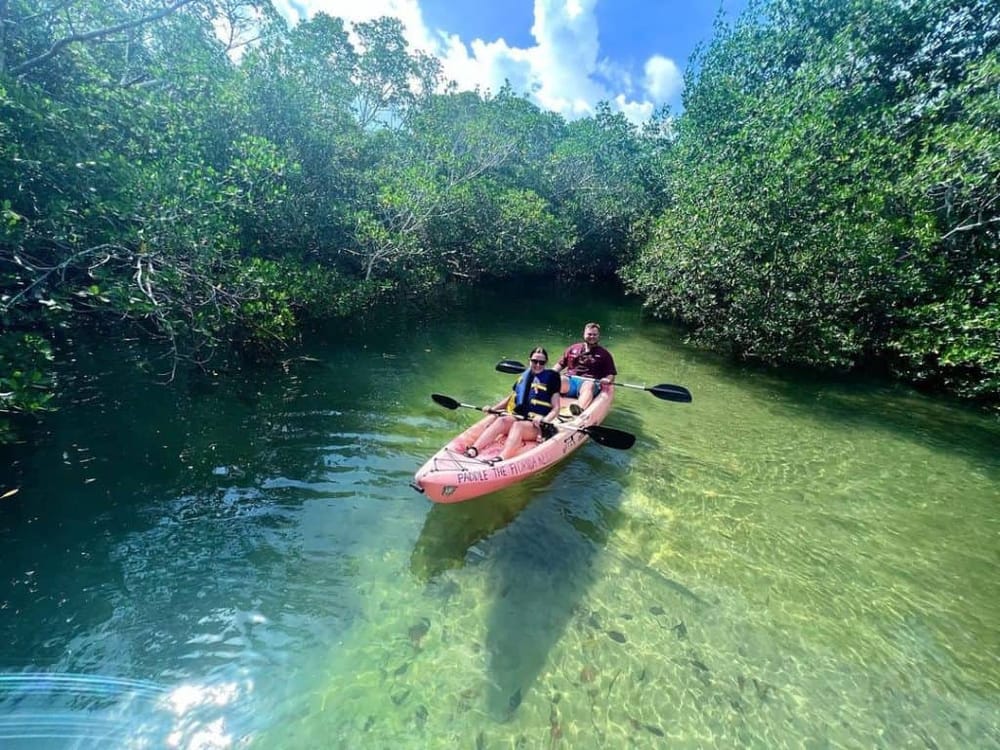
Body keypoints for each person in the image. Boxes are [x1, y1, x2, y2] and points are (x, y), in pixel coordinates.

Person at [464, 347, 561, 461]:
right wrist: (493, 409)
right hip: (520, 417)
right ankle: (474, 449)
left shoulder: (552, 378)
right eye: (535, 361)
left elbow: (556, 408)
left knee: (517, 426)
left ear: (546, 363)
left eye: (542, 362)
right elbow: (511, 397)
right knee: (502, 420)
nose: (538, 365)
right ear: (529, 361)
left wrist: (545, 419)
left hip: (537, 425)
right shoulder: (524, 376)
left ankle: (503, 457)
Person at [553, 322, 617, 412]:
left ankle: (579, 409)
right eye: (589, 334)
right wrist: (551, 373)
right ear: (584, 334)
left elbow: (611, 374)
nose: (592, 337)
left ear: (598, 336)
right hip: (571, 380)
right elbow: (560, 364)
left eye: (594, 334)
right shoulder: (573, 348)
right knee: (558, 380)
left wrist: (608, 380)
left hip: (589, 382)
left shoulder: (604, 354)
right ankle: (543, 403)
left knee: (588, 385)